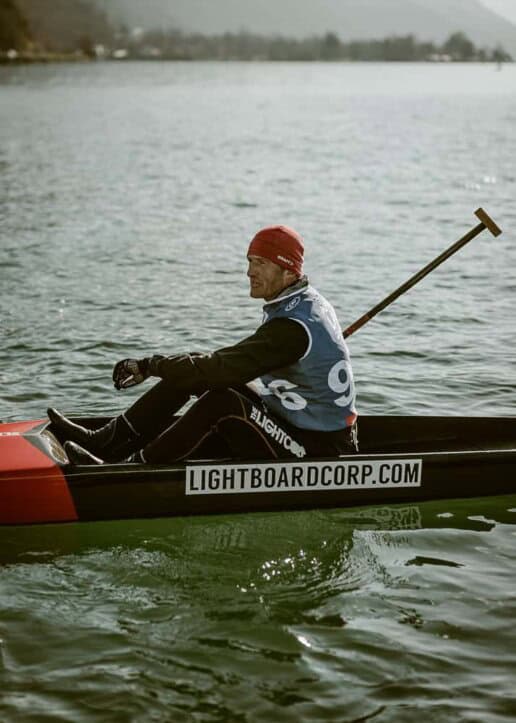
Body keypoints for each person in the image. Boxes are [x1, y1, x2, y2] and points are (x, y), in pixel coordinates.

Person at [48, 225, 358, 465]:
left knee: (218, 396)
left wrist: (149, 365)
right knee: (192, 371)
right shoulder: (306, 301)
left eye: (260, 263)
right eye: (249, 261)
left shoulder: (291, 327)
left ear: (289, 270)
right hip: (297, 420)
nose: (249, 272)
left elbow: (218, 371)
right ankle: (107, 441)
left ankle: (130, 468)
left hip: (318, 451)